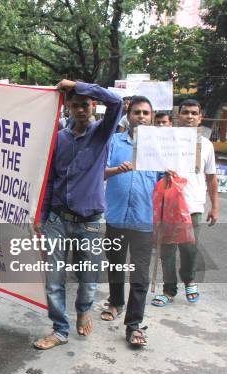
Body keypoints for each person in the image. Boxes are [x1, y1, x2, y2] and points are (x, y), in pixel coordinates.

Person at [33, 80, 123, 350]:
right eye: (76, 105)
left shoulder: (101, 133)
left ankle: (84, 308)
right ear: (68, 108)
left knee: (89, 276)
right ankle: (60, 330)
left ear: (93, 105)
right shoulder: (58, 139)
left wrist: (78, 85)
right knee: (54, 279)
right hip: (58, 220)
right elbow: (50, 179)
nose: (81, 110)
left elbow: (117, 102)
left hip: (91, 222)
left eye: (86, 104)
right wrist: (42, 215)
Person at [101, 96, 161, 347]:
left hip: (144, 221)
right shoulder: (114, 142)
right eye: (136, 112)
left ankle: (134, 324)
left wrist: (171, 174)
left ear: (152, 117)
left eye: (146, 112)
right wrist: (116, 170)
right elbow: (98, 170)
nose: (141, 116)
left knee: (140, 276)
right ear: (129, 115)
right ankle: (115, 302)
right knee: (115, 265)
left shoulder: (160, 148)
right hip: (115, 216)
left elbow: (167, 184)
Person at [151, 99, 218, 306]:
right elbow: (150, 168)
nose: (189, 116)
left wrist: (215, 206)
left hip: (193, 206)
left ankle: (189, 280)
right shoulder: (164, 141)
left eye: (194, 113)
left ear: (200, 118)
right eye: (185, 112)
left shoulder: (206, 146)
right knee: (167, 251)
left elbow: (211, 177)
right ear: (177, 117)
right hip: (167, 206)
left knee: (190, 249)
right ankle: (168, 290)